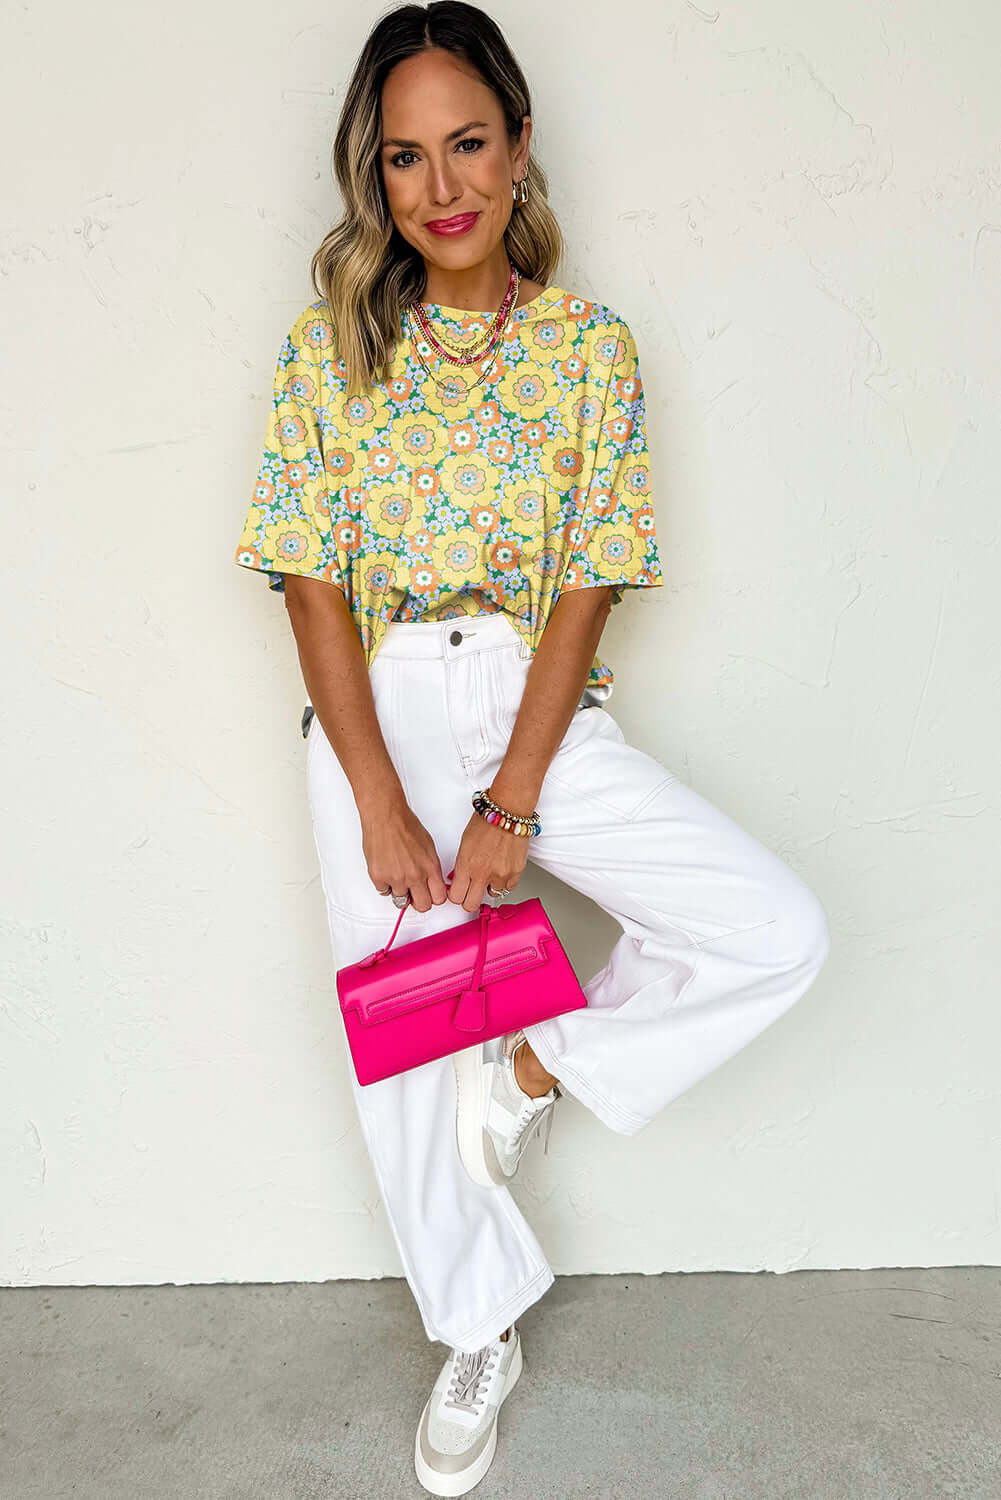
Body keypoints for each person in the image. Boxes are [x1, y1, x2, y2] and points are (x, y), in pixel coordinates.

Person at [233, 3, 831, 1493]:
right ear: (374, 179)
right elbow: (308, 578)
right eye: (406, 157)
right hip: (374, 704)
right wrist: (378, 794)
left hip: (531, 698)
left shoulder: (587, 349)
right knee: (399, 1046)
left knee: (772, 929)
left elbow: (588, 580)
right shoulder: (329, 353)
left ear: (516, 145)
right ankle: (475, 1326)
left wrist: (511, 799)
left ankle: (540, 1068)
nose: (441, 186)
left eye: (468, 144)